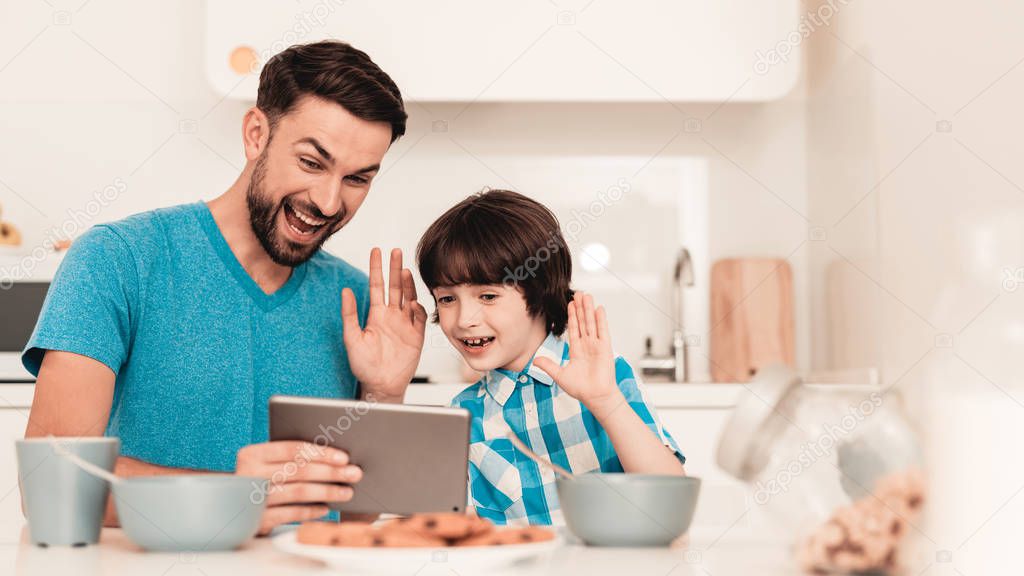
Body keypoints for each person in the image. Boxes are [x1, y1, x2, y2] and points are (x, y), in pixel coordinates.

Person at [21, 41, 427, 535]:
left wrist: (385, 395)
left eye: (357, 179)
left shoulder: (359, 303)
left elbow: (355, 516)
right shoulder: (118, 259)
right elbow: (51, 484)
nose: (327, 201)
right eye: (311, 162)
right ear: (257, 134)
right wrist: (230, 500)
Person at [415, 189, 686, 525]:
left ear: (540, 292)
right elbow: (448, 532)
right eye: (446, 299)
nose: (464, 319)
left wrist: (604, 401)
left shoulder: (606, 378)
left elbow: (671, 502)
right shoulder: (464, 415)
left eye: (487, 295)